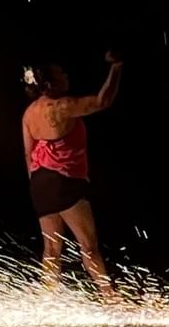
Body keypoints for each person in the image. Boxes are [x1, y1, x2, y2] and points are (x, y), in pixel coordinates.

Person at [22, 52, 123, 297]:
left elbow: (28, 153)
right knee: (88, 246)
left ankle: (48, 298)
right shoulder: (62, 106)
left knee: (51, 249)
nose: (66, 76)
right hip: (63, 182)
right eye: (61, 74)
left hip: (40, 183)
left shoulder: (29, 113)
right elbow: (102, 101)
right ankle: (110, 297)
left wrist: (38, 186)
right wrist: (117, 67)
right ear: (49, 82)